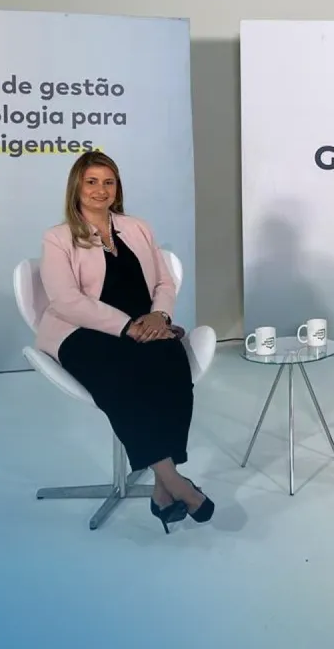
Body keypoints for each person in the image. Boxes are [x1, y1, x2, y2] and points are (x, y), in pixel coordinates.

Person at [35, 151, 214, 531]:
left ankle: (163, 488)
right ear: (76, 187)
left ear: (117, 188)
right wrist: (127, 326)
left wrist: (159, 316)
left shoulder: (137, 228)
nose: (100, 190)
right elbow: (65, 301)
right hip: (80, 331)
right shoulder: (58, 237)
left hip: (143, 326)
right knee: (121, 376)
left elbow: (164, 282)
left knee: (172, 361)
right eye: (91, 182)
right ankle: (173, 480)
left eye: (108, 182)